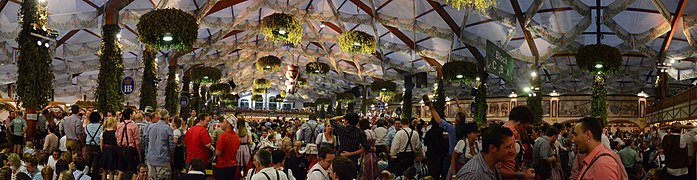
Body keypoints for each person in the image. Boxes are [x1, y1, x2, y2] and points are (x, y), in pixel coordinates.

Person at [457, 125, 532, 179]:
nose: (512, 151)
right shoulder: (472, 175)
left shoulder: (493, 166)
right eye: (507, 147)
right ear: (492, 148)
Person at [329, 113, 370, 178]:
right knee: (351, 176)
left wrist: (344, 116)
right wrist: (351, 153)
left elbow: (331, 120)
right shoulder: (360, 132)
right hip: (353, 160)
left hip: (341, 157)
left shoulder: (341, 129)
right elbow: (366, 147)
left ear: (347, 121)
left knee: (339, 176)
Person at [146, 109, 175, 180]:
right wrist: (172, 157)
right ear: (167, 117)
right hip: (163, 159)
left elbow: (147, 140)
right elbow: (171, 146)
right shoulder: (167, 128)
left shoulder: (151, 127)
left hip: (151, 159)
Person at [116, 108, 141, 179]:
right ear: (130, 115)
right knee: (132, 171)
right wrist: (139, 154)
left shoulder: (119, 125)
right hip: (130, 149)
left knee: (121, 171)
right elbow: (137, 142)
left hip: (120, 148)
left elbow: (117, 137)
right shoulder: (134, 126)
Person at [215, 115, 241, 180]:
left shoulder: (223, 136)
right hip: (233, 166)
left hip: (222, 166)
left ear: (228, 124)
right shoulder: (236, 137)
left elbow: (218, 153)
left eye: (223, 122)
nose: (221, 124)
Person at [84, 112, 102, 178]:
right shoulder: (101, 127)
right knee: (96, 166)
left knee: (87, 164)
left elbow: (85, 134)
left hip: (88, 146)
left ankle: (86, 177)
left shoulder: (87, 127)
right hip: (97, 147)